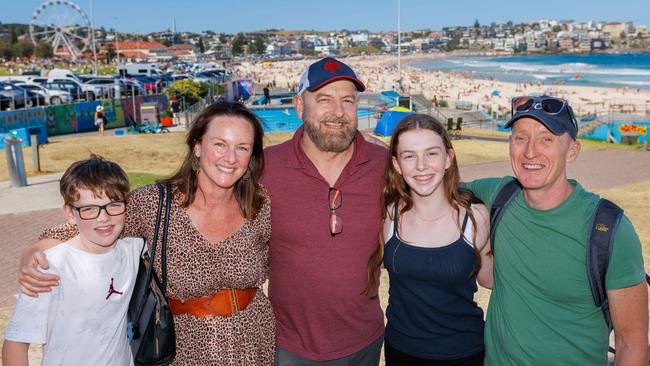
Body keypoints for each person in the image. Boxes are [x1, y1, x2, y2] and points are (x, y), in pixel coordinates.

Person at [18, 101, 276, 365]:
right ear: (197, 146)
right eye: (219, 144)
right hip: (182, 348)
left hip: (253, 339)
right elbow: (91, 225)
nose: (230, 158)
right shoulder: (156, 202)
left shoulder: (259, 204)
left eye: (242, 148)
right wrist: (35, 250)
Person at [464, 96, 648, 365]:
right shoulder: (499, 194)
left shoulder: (609, 229)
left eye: (546, 139)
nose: (530, 152)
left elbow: (631, 343)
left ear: (572, 151)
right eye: (520, 138)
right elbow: (440, 185)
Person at [262, 57, 387, 365]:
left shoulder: (385, 165)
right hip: (288, 346)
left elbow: (442, 191)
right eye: (324, 99)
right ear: (299, 106)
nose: (338, 112)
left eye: (348, 100)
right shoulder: (264, 167)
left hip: (365, 343)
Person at [366, 114, 492, 366]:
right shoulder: (388, 215)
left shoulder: (475, 217)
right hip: (401, 351)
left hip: (464, 353)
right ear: (397, 164)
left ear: (449, 158)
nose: (421, 166)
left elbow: (491, 279)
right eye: (409, 156)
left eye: (432, 153)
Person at [3, 155, 141, 366]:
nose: (103, 218)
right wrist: (33, 250)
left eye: (113, 205)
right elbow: (16, 343)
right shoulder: (49, 267)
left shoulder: (133, 248)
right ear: (70, 213)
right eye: (88, 209)